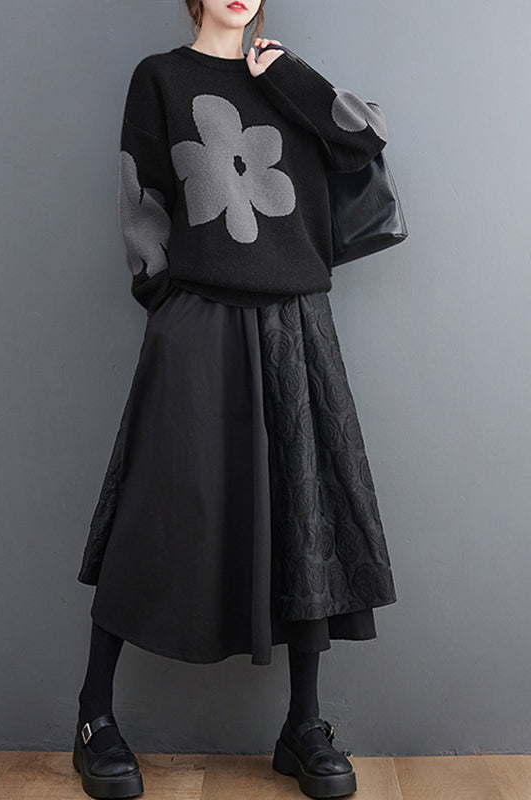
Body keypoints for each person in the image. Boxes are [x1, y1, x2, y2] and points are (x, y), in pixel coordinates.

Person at [73, 1, 398, 797]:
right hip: (199, 318)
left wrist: (286, 75)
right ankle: (93, 717)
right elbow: (142, 194)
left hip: (297, 321)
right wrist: (168, 303)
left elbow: (365, 141)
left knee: (304, 512)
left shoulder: (286, 75)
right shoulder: (161, 77)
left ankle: (303, 726)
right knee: (157, 508)